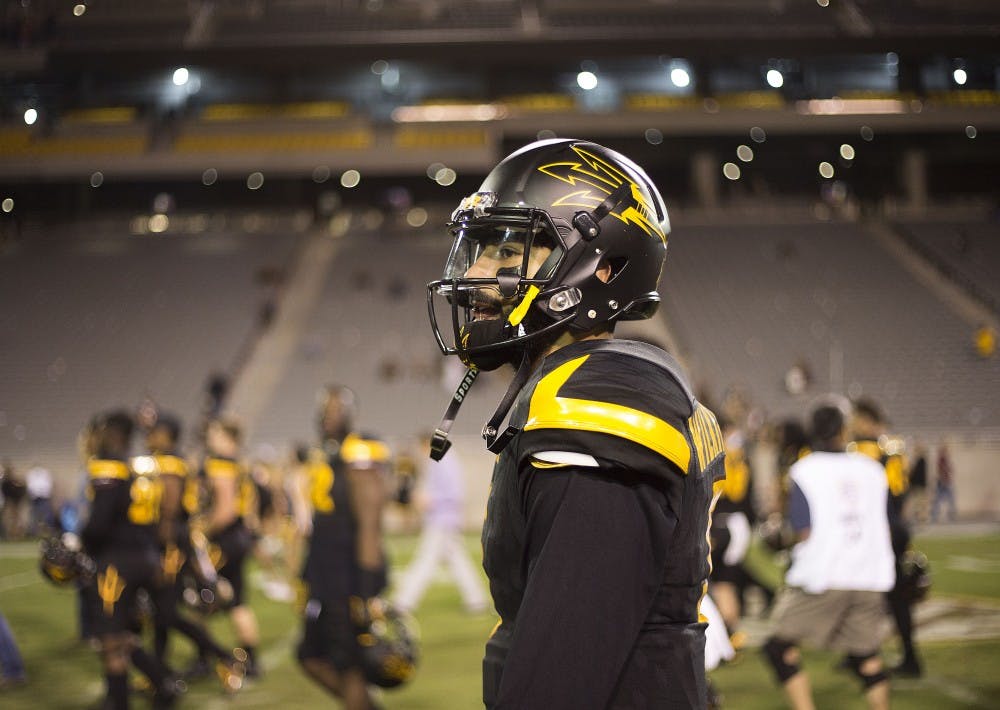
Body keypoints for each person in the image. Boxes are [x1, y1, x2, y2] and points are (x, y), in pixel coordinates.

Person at [425, 138, 725, 708]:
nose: (479, 273)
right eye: (480, 247)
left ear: (601, 265)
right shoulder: (601, 379)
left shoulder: (600, 398)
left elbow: (559, 682)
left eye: (509, 251)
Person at [761, 404, 895, 710]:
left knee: (778, 648)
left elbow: (803, 530)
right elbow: (885, 525)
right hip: (870, 573)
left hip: (826, 573)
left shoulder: (804, 470)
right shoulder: (872, 468)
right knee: (866, 655)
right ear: (843, 431)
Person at [294, 385, 396, 709]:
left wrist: (365, 591)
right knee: (309, 656)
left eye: (337, 408)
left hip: (349, 577)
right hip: (325, 574)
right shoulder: (327, 453)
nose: (328, 414)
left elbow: (369, 526)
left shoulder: (361, 451)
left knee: (350, 667)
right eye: (325, 408)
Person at [79, 410, 179, 709]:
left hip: (116, 563)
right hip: (143, 557)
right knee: (124, 632)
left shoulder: (109, 465)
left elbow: (99, 523)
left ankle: (119, 701)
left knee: (110, 639)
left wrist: (82, 544)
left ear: (111, 433)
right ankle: (163, 685)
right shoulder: (137, 467)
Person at [140, 414, 243, 685]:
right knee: (162, 612)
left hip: (171, 544)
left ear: (168, 434)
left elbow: (170, 508)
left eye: (155, 432)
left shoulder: (170, 461)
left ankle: (222, 656)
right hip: (174, 540)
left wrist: (161, 550)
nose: (149, 437)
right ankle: (158, 672)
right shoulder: (172, 460)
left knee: (168, 612)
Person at [849, 397, 922, 677]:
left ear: (866, 420)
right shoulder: (892, 446)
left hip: (880, 530)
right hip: (893, 527)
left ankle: (907, 658)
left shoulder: (866, 449)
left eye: (856, 419)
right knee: (884, 595)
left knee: (885, 596)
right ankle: (859, 653)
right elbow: (901, 495)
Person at [393, 434, 487, 615]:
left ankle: (403, 602)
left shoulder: (443, 460)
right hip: (444, 520)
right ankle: (477, 601)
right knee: (459, 562)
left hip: (442, 521)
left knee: (425, 561)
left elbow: (455, 494)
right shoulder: (443, 460)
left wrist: (428, 500)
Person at [200, 415, 262, 677]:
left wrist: (201, 529)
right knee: (237, 601)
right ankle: (252, 661)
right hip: (239, 536)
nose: (210, 438)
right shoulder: (241, 464)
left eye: (215, 433)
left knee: (198, 596)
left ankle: (204, 656)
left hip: (223, 539)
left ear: (227, 437)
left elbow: (224, 510)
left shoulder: (221, 465)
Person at [931, 441, 957, 523]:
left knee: (944, 499)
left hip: (945, 481)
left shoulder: (944, 459)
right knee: (942, 499)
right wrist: (944, 479)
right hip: (943, 482)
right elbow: (942, 471)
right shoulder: (942, 459)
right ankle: (936, 515)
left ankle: (940, 515)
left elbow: (949, 470)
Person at [25, 462, 54, 536]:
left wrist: (43, 493)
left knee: (46, 516)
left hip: (44, 498)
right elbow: (30, 486)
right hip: (35, 499)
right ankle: (34, 532)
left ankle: (47, 531)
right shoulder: (31, 474)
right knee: (34, 516)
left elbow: (48, 485)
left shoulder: (44, 473)